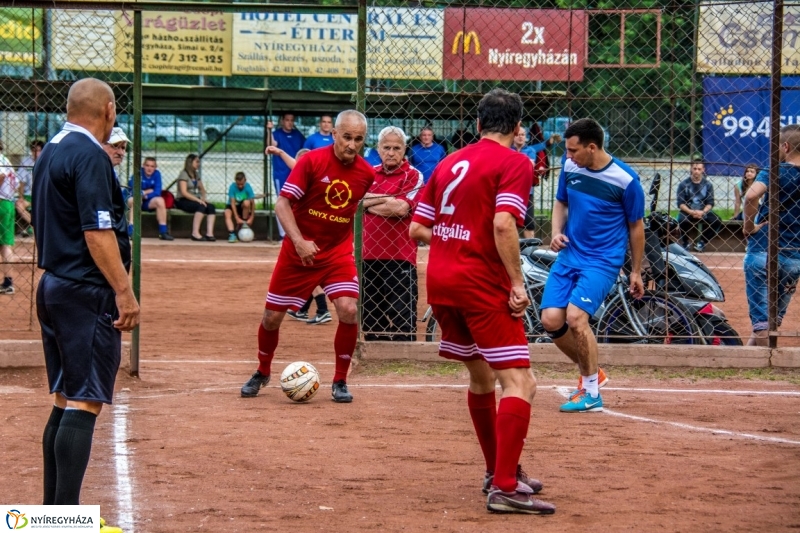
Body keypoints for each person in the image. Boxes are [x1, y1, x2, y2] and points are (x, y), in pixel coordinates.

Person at [409, 88, 555, 516]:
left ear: (477, 124)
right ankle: (505, 487)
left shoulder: (449, 161)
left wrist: (456, 243)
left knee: (481, 377)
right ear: (517, 127)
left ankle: (498, 472)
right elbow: (504, 224)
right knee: (521, 383)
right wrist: (517, 283)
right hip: (480, 284)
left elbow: (418, 229)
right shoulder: (515, 162)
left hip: (442, 282)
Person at [31, 78, 138, 533]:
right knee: (84, 401)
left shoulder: (52, 149)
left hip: (55, 285)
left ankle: (52, 516)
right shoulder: (90, 154)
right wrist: (124, 291)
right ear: (108, 110)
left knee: (65, 399)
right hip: (84, 291)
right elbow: (98, 233)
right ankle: (64, 521)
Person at [241, 110, 375, 402]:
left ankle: (340, 381)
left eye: (359, 139)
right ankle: (262, 371)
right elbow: (282, 204)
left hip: (337, 253)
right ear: (334, 134)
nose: (352, 145)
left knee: (349, 310)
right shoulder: (312, 161)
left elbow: (361, 204)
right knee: (271, 318)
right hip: (297, 253)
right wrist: (299, 241)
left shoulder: (366, 173)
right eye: (347, 137)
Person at [539, 118, 645, 413]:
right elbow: (561, 202)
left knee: (575, 318)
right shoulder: (571, 166)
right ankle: (593, 373)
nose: (568, 156)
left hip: (602, 261)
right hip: (569, 255)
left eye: (573, 150)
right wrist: (555, 232)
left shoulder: (626, 180)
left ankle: (591, 392)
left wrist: (636, 271)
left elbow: (636, 227)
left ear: (592, 147)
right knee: (551, 320)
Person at [362, 126, 424, 341]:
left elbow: (401, 209)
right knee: (371, 323)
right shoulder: (368, 173)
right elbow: (355, 201)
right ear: (378, 149)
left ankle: (403, 358)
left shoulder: (413, 175)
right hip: (367, 257)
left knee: (403, 323)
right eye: (386, 147)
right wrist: (387, 198)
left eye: (396, 148)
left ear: (404, 149)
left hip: (400, 257)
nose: (391, 152)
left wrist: (368, 203)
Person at [742, 124, 800, 346]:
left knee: (762, 324)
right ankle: (748, 360)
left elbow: (750, 197)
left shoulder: (775, 170)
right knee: (770, 322)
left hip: (763, 248)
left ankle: (769, 363)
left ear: (785, 146)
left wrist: (749, 227)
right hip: (794, 255)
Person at [265, 147, 332, 324]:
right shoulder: (306, 174)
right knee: (307, 268)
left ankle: (322, 309)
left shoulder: (313, 176)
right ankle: (302, 309)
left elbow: (296, 165)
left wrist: (280, 153)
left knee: (309, 271)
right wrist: (280, 153)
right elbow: (296, 164)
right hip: (304, 231)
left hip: (307, 234)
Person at [512, 126, 561, 239]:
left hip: (527, 191)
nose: (520, 137)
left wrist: (550, 140)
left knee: (529, 222)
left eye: (523, 135)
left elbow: (541, 147)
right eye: (518, 135)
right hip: (512, 189)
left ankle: (530, 247)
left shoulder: (530, 150)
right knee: (511, 220)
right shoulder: (508, 150)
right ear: (513, 136)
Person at [268, 113, 306, 240]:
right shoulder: (277, 134)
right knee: (282, 203)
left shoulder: (298, 135)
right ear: (282, 121)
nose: (290, 122)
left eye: (292, 120)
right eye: (287, 120)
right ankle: (283, 234)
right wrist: (269, 130)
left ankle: (294, 233)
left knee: (296, 204)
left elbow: (304, 152)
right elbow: (271, 144)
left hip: (296, 172)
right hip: (281, 173)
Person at [676, 161, 722, 252]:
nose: (696, 171)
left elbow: (710, 202)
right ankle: (685, 242)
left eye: (699, 169)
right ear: (691, 169)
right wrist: (691, 212)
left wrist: (703, 212)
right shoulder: (683, 184)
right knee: (682, 220)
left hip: (703, 211)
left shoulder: (708, 185)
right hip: (688, 211)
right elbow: (680, 203)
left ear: (703, 170)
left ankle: (702, 242)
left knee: (716, 220)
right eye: (695, 169)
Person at [127, 156, 173, 241]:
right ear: (143, 165)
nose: (149, 168)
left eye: (152, 166)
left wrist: (145, 195)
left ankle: (163, 232)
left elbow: (157, 192)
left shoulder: (157, 174)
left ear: (155, 167)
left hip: (147, 200)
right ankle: (131, 231)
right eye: (147, 165)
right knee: (136, 200)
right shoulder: (138, 173)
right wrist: (146, 192)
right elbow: (132, 190)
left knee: (160, 200)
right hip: (134, 199)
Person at [175, 154, 216, 241]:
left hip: (194, 199)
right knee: (201, 206)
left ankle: (209, 234)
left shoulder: (196, 175)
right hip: (182, 200)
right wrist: (198, 200)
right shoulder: (183, 174)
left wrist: (203, 198)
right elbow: (184, 192)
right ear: (190, 162)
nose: (198, 164)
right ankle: (195, 233)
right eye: (197, 162)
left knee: (211, 207)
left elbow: (202, 189)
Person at [15, 140, 44, 236]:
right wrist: (21, 197)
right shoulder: (26, 161)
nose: (35, 153)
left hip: (42, 195)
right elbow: (21, 181)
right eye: (33, 150)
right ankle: (35, 226)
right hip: (29, 195)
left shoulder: (46, 160)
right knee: (19, 205)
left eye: (38, 150)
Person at [0, 140, 16, 294]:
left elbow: (1, 175)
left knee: (5, 244)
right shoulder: (6, 160)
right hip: (9, 203)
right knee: (5, 244)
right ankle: (8, 282)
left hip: (0, 202)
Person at [225, 172, 256, 243]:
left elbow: (253, 203)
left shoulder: (248, 187)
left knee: (247, 202)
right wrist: (236, 217)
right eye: (238, 184)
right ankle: (232, 234)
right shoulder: (232, 187)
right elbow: (232, 203)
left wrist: (251, 218)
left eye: (242, 184)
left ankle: (243, 224)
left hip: (242, 206)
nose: (240, 186)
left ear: (245, 180)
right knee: (227, 213)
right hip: (233, 205)